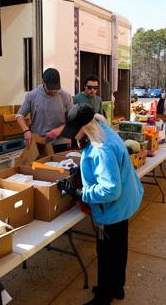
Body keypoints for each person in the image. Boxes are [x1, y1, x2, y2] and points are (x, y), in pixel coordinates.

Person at [57, 104, 144, 304]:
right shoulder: (103, 131)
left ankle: (104, 297)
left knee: (106, 254)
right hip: (125, 204)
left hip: (113, 209)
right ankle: (117, 287)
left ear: (85, 128)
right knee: (119, 248)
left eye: (74, 132)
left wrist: (80, 192)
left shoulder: (101, 149)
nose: (73, 137)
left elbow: (110, 190)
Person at [16, 67, 73, 153]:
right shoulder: (32, 96)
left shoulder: (65, 96)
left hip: (60, 142)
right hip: (40, 142)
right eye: (50, 88)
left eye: (55, 88)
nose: (53, 91)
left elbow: (73, 119)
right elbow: (19, 116)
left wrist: (59, 130)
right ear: (43, 82)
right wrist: (26, 131)